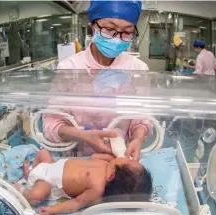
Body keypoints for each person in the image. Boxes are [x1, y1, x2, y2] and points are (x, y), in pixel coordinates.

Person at [43, 0, 152, 161]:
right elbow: (51, 123)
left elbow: (141, 118)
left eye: (127, 32)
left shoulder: (137, 70)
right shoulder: (70, 68)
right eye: (109, 29)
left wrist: (137, 138)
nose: (117, 39)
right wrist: (83, 136)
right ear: (93, 25)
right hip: (80, 160)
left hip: (121, 158)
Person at [15, 149, 153, 215]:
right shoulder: (106, 163)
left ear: (112, 176)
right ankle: (32, 173)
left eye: (128, 161)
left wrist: (53, 209)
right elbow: (92, 157)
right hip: (50, 164)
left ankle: (22, 191)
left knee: (37, 195)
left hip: (48, 183)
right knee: (43, 152)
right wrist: (108, 155)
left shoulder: (97, 189)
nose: (127, 157)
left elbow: (77, 203)